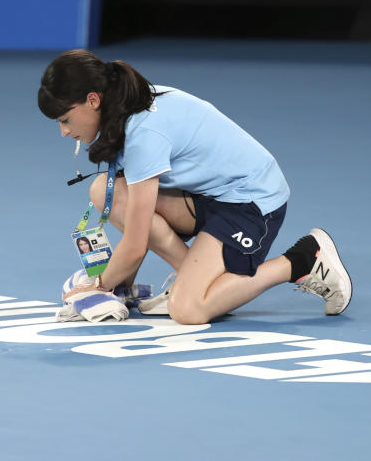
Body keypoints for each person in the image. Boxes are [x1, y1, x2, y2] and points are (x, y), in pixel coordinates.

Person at [38, 49, 351, 325]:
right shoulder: (123, 106)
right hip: (209, 194)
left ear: (92, 100)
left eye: (65, 119)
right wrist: (120, 288)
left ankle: (304, 258)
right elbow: (135, 217)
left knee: (188, 310)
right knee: (104, 190)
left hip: (252, 201)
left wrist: (98, 286)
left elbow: (135, 244)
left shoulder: (143, 133)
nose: (64, 132)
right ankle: (198, 278)